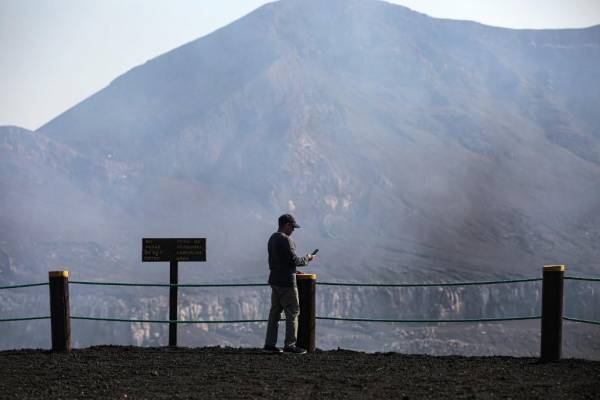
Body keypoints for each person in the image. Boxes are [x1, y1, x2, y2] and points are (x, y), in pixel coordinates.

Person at [263, 214, 315, 354]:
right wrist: (307, 258)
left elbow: (280, 261)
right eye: (292, 227)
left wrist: (294, 271)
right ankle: (290, 346)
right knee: (293, 312)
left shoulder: (272, 238)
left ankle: (269, 344)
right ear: (286, 225)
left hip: (274, 280)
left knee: (274, 313)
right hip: (287, 283)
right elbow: (295, 260)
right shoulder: (287, 240)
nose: (293, 230)